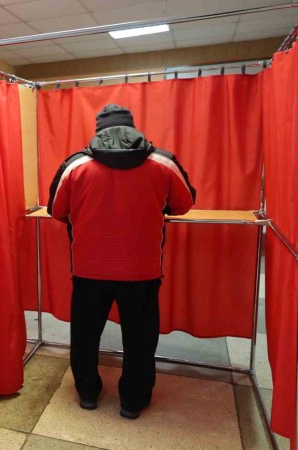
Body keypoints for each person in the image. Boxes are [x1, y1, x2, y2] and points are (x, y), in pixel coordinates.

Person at [47, 104, 195, 419]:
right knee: (140, 339)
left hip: (89, 269)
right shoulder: (162, 162)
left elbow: (56, 210)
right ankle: (133, 401)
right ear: (132, 128)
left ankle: (88, 393)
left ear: (99, 130)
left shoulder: (76, 165)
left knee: (85, 336)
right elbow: (184, 204)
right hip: (141, 270)